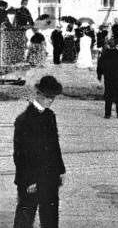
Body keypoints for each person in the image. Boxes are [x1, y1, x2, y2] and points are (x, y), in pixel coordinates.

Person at [13, 75, 65, 228]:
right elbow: (20, 154)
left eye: (53, 97)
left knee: (50, 216)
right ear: (39, 94)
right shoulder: (24, 120)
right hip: (31, 178)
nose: (51, 100)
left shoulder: (50, 116)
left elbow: (55, 145)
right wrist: (28, 180)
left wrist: (60, 170)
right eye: (48, 97)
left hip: (50, 176)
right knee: (25, 216)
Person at [96, 40, 118, 118]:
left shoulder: (104, 55)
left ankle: (107, 114)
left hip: (108, 78)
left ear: (108, 46)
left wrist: (100, 76)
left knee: (108, 95)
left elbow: (99, 66)